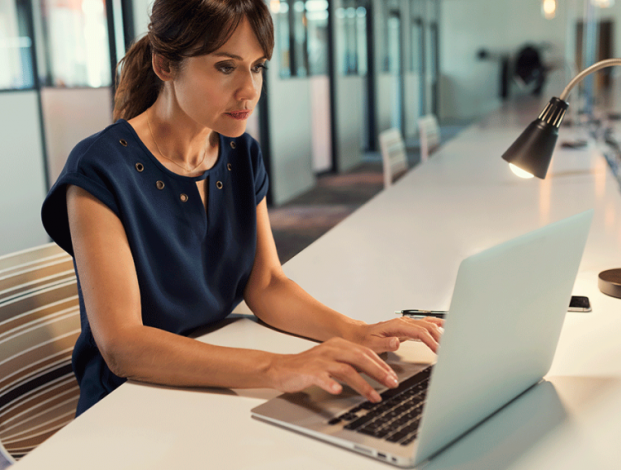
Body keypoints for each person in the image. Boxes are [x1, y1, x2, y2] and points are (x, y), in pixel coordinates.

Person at [41, 0, 443, 417]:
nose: (249, 90)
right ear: (164, 65)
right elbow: (123, 347)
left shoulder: (240, 154)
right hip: (133, 401)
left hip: (218, 374)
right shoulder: (101, 168)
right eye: (225, 67)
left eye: (257, 67)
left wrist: (355, 332)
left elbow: (266, 284)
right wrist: (278, 368)